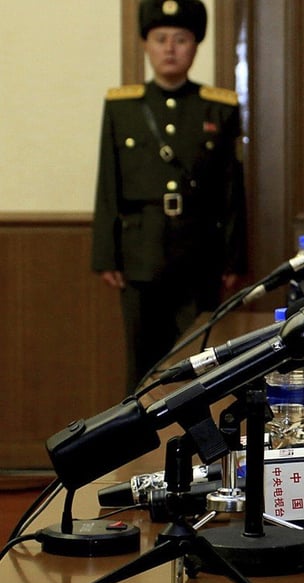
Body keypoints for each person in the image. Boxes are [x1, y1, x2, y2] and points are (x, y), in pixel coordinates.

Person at [91, 0, 247, 393]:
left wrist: (234, 256)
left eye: (181, 39)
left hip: (201, 255)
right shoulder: (123, 106)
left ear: (195, 47)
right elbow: (108, 183)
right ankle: (141, 450)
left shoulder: (219, 106)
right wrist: (106, 255)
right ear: (146, 44)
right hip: (140, 254)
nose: (170, 48)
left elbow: (232, 188)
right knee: (142, 364)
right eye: (161, 39)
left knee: (200, 360)